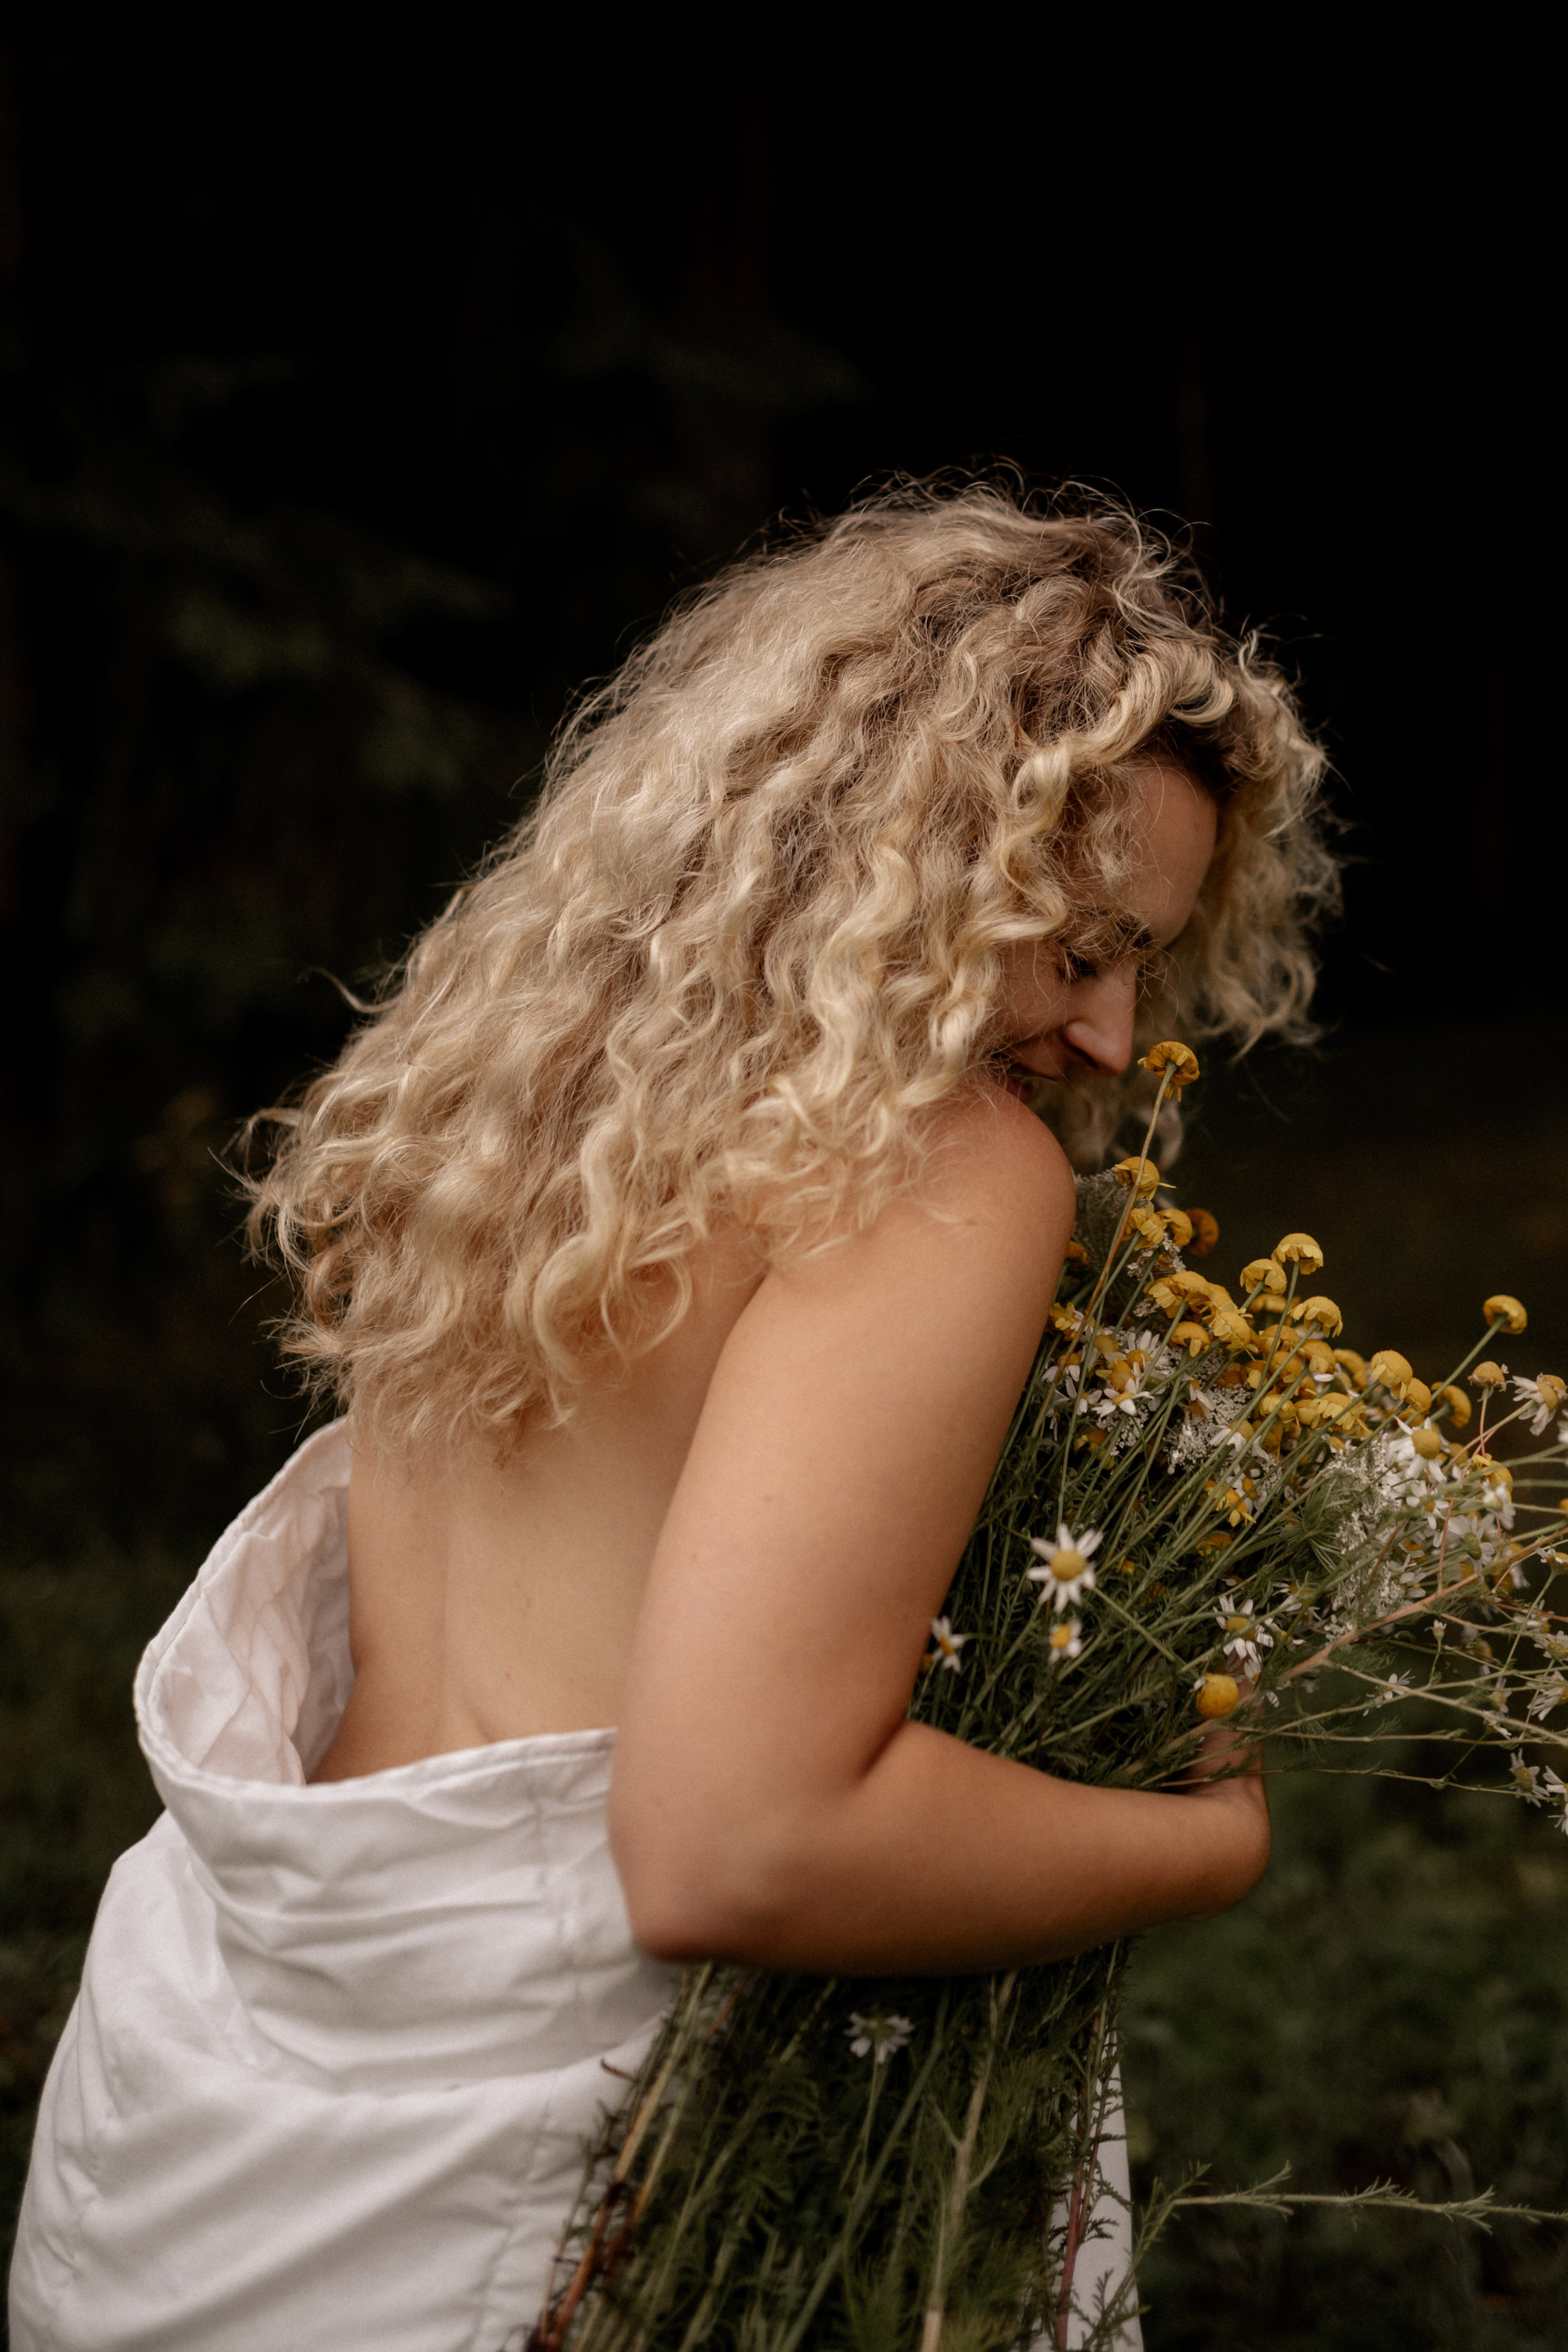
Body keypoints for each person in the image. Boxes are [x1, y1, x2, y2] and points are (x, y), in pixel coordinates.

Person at [10, 480, 1334, 2351]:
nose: (1116, 1039)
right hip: (543, 2211)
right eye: (1084, 946)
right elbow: (737, 1842)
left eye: (1145, 962)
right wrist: (1210, 1835)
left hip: (195, 2127)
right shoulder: (939, 1169)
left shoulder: (525, 1084)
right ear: (932, 865)